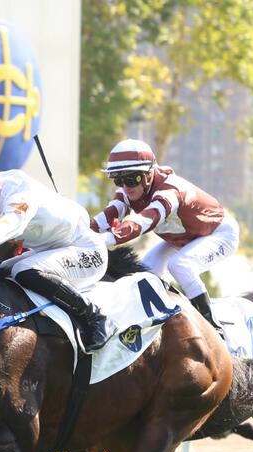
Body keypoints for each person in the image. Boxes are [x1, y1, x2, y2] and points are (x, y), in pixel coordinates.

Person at [0, 155, 114, 353]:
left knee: (23, 270)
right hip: (52, 249)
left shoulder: (18, 195)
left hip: (85, 250)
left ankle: (95, 317)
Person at [91, 138, 238, 330]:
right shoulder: (129, 191)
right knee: (144, 273)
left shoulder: (171, 190)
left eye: (131, 178)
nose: (126, 186)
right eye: (118, 179)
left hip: (219, 233)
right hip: (185, 238)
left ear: (149, 175)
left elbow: (144, 221)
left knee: (180, 265)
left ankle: (212, 327)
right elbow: (108, 216)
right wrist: (78, 232)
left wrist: (105, 239)